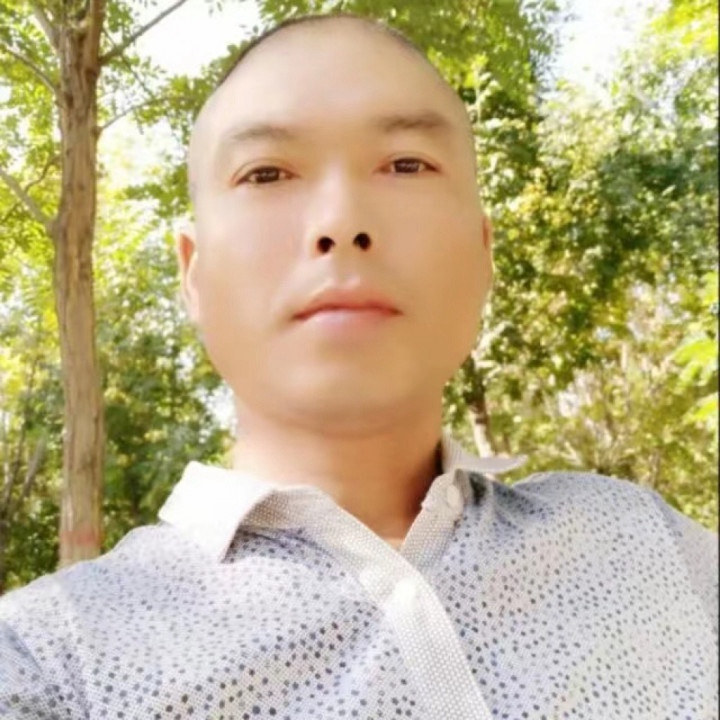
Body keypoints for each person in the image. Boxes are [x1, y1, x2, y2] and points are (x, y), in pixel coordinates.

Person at [0, 13, 717, 720]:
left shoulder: (650, 545)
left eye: (406, 164)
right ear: (194, 272)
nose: (341, 222)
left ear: (482, 251)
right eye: (266, 172)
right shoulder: (50, 661)